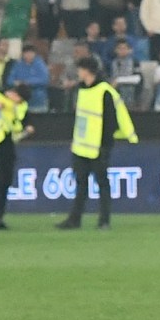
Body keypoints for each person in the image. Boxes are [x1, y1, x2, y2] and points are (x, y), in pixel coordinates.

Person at [56, 56, 139, 230]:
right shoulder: (81, 90)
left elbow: (110, 122)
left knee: (102, 184)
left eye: (80, 69)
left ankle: (104, 220)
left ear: (87, 70)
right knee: (81, 185)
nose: (78, 73)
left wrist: (104, 145)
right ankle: (74, 220)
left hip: (99, 146)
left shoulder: (104, 91)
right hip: (81, 146)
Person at [0, 84, 33, 230]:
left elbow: (21, 123)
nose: (17, 101)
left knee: (5, 183)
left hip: (8, 147)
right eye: (17, 98)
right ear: (13, 93)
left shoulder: (21, 107)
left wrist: (27, 129)